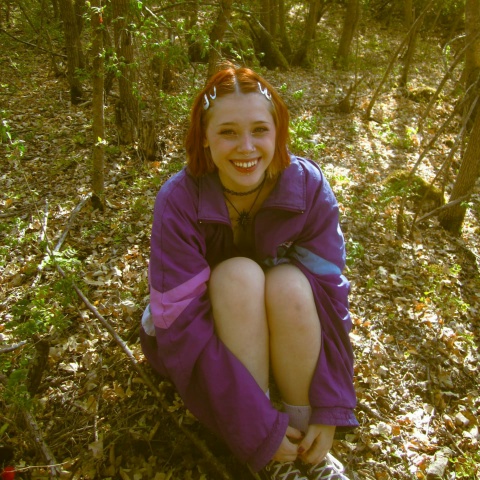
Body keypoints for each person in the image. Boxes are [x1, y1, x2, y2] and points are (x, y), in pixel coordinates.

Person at [140, 65, 358, 480]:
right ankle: (266, 441)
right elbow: (181, 328)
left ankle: (304, 438)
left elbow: (330, 299)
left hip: (282, 329)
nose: (246, 147)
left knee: (291, 282)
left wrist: (329, 406)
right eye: (227, 132)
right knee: (238, 276)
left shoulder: (308, 187)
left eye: (260, 130)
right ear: (204, 136)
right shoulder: (178, 202)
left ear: (278, 131)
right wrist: (257, 428)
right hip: (206, 340)